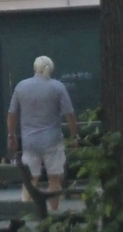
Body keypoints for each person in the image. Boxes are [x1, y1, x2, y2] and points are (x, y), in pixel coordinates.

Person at [7, 56, 74, 208]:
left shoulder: (21, 87)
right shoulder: (58, 87)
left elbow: (12, 113)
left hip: (30, 142)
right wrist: (74, 135)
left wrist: (11, 135)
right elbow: (69, 114)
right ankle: (54, 213)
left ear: (34, 68)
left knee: (31, 178)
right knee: (54, 178)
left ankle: (25, 209)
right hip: (53, 141)